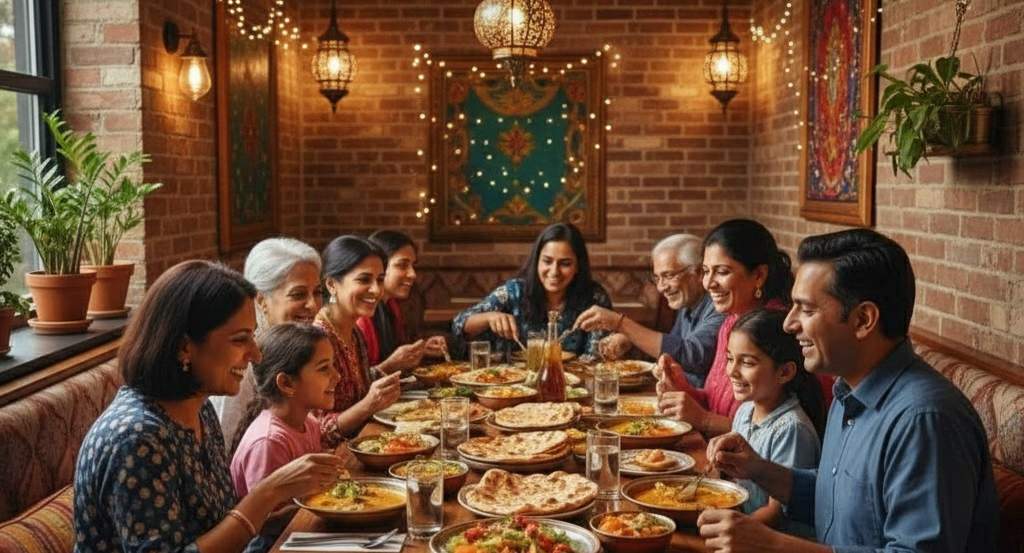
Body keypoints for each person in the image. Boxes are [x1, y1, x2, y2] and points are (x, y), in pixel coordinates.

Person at [700, 229, 998, 552]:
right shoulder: (847, 389)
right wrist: (757, 468)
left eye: (806, 309)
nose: (788, 323)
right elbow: (837, 497)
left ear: (863, 320)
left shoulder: (925, 420)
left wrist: (772, 545)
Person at [73, 261, 345, 553]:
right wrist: (269, 492)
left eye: (253, 336)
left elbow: (221, 525)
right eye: (240, 339)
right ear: (184, 347)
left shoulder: (199, 409)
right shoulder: (137, 438)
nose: (254, 354)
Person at [656, 219, 806, 437]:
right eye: (706, 271)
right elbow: (715, 402)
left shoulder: (778, 330)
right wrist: (681, 386)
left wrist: (704, 420)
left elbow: (771, 433)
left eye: (722, 272)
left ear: (758, 275)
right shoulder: (730, 322)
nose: (708, 283)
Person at [574, 233, 724, 386]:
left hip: (703, 404)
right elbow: (671, 352)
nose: (661, 287)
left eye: (668, 275)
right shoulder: (688, 304)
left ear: (699, 273)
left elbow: (692, 355)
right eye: (657, 278)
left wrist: (620, 324)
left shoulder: (720, 305)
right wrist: (629, 341)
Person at [724, 308, 823, 537]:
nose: (732, 371)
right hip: (743, 524)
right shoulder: (745, 410)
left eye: (747, 363)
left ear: (785, 372)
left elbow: (776, 514)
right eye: (730, 359)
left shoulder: (791, 429)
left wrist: (731, 530)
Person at [218, 237, 324, 450]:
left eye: (317, 292)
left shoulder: (298, 347)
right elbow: (224, 453)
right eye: (298, 294)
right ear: (261, 301)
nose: (313, 305)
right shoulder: (242, 363)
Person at [452, 222, 613, 357]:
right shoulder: (514, 291)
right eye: (547, 261)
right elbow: (459, 325)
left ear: (578, 266)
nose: (554, 271)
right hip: (512, 386)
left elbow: (596, 358)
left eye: (565, 263)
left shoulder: (594, 298)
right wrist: (489, 317)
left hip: (573, 386)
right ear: (537, 262)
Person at [314, 235, 402, 447]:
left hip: (364, 445)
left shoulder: (354, 331)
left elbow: (357, 386)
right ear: (332, 284)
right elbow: (318, 431)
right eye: (364, 280)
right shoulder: (316, 339)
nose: (376, 290)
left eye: (380, 279)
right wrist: (369, 405)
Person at [230, 323, 337, 497]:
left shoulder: (309, 423)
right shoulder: (269, 442)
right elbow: (266, 519)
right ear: (286, 383)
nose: (337, 376)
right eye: (324, 368)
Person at [360, 230, 447, 370]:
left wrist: (422, 348)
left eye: (413, 265)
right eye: (402, 265)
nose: (413, 274)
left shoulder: (391, 305)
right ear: (378, 266)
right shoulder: (361, 314)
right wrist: (390, 365)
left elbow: (395, 352)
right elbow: (354, 381)